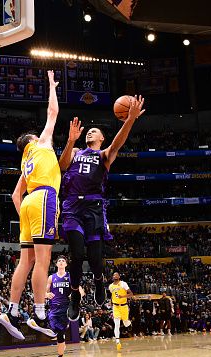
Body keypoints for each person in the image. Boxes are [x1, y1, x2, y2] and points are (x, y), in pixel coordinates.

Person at [58, 96, 146, 321]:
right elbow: (61, 167)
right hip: (71, 206)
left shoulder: (104, 155)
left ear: (102, 138)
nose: (90, 132)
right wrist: (70, 141)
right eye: (89, 131)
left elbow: (118, 143)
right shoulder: (76, 152)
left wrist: (130, 120)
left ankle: (99, 281)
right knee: (77, 255)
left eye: (94, 131)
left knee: (96, 259)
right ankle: (75, 295)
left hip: (94, 207)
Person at [0, 70, 60, 340]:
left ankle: (11, 311)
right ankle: (38, 313)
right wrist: (51, 86)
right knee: (43, 261)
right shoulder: (42, 144)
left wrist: (26, 219)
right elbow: (53, 113)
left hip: (27, 205)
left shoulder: (25, 163)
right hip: (44, 198)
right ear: (33, 140)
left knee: (26, 260)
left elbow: (15, 196)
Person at [45, 255, 71, 357]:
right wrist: (46, 294)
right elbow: (44, 292)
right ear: (56, 264)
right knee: (53, 329)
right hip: (53, 308)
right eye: (59, 261)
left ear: (66, 264)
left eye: (63, 261)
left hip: (65, 309)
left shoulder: (70, 277)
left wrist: (74, 295)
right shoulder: (51, 277)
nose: (61, 262)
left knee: (60, 334)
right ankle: (59, 339)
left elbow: (81, 292)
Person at [109, 272, 133, 351]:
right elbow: (112, 296)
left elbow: (131, 294)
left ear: (119, 276)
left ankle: (129, 323)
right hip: (115, 307)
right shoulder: (111, 286)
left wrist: (122, 296)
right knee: (117, 324)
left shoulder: (123, 284)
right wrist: (111, 301)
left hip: (124, 306)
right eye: (114, 275)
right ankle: (117, 342)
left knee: (126, 323)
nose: (115, 276)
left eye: (116, 275)